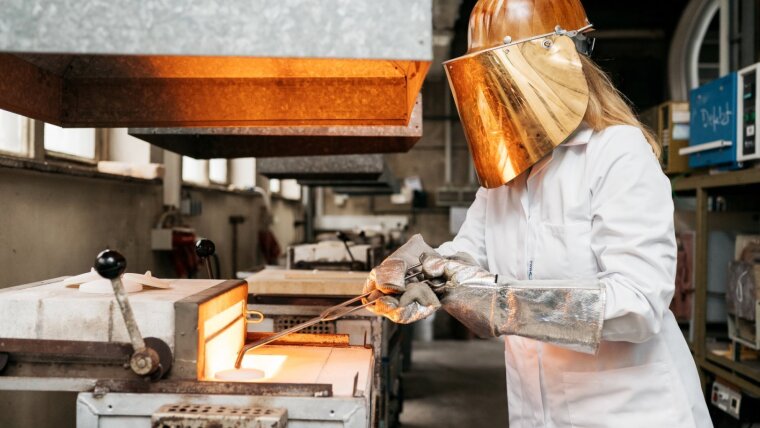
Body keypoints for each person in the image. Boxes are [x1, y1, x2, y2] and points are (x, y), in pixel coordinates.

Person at [363, 0, 712, 426]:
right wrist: (415, 268)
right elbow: (464, 257)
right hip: (537, 412)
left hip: (629, 412)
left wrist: (502, 304)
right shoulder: (504, 180)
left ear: (558, 66)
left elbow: (639, 303)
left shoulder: (616, 153)